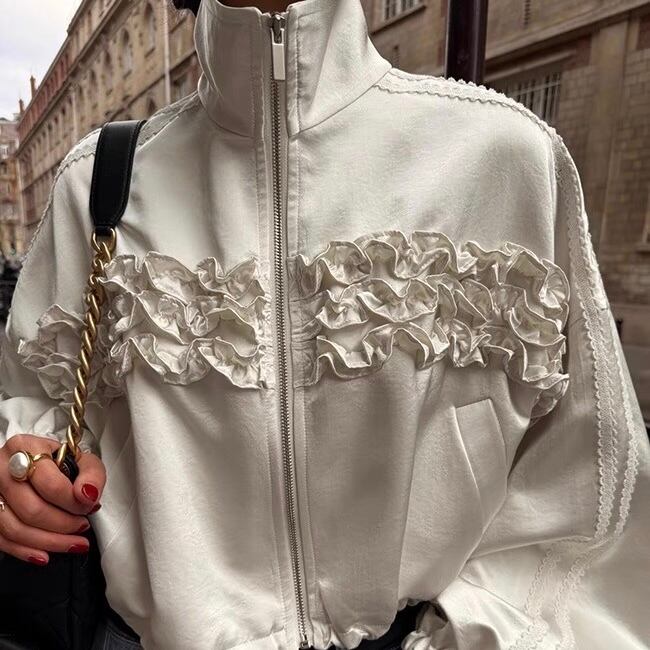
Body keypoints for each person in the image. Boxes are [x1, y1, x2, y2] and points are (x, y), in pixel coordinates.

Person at [1, 0, 649, 648]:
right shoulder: (97, 185)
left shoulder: (505, 157)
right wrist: (23, 476)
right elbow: (32, 403)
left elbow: (590, 487)